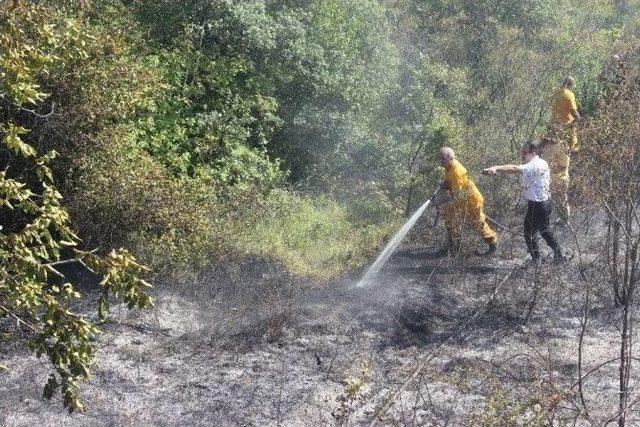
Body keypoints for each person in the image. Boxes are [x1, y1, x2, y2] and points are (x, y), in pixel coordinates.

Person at [483, 142, 564, 264]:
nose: (522, 155)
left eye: (524, 153)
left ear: (533, 153)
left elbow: (514, 168)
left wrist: (496, 168)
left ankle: (537, 261)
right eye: (522, 152)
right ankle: (558, 256)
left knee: (529, 232)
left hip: (538, 205)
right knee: (544, 231)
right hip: (545, 203)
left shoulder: (534, 165)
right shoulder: (541, 162)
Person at [436, 147, 498, 257]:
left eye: (442, 159)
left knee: (479, 223)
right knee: (449, 217)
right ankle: (453, 247)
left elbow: (456, 194)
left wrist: (439, 200)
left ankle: (493, 244)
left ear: (450, 158)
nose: (440, 162)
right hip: (462, 199)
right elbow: (450, 182)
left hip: (471, 201)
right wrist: (445, 185)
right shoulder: (448, 166)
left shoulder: (456, 172)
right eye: (439, 159)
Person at [541, 76, 581, 224]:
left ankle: (560, 215)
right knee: (562, 175)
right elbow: (577, 117)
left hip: (553, 136)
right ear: (570, 85)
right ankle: (564, 217)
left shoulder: (555, 93)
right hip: (563, 139)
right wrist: (568, 127)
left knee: (549, 173)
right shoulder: (569, 94)